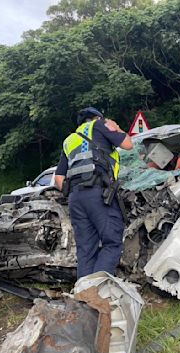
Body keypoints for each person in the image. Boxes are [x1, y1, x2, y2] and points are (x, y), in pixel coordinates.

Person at [54, 107, 133, 278]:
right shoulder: (99, 125)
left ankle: (84, 295)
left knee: (86, 250)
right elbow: (128, 144)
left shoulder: (69, 140)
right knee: (112, 242)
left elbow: (59, 178)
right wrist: (116, 127)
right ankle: (97, 292)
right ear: (97, 118)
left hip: (76, 199)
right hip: (98, 195)